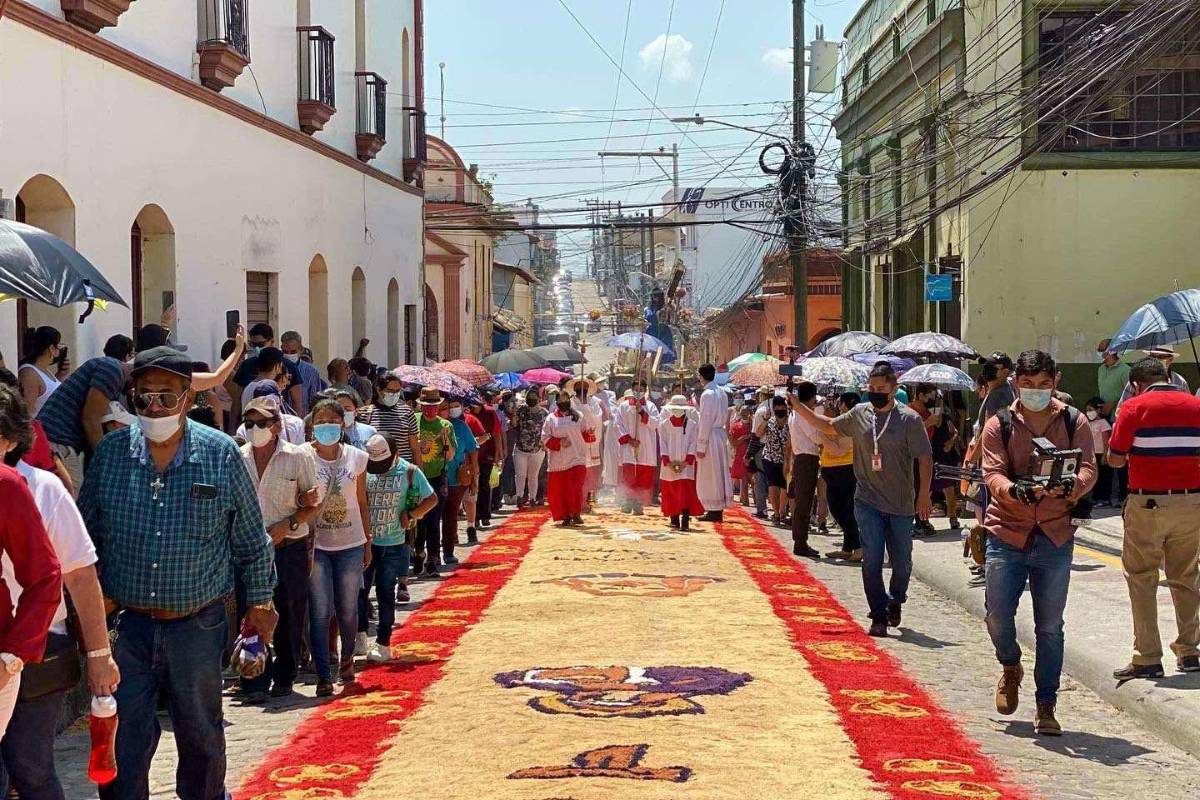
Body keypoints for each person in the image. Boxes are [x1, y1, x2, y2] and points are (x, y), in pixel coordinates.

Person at [78, 346, 276, 800]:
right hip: (127, 629)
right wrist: (93, 599)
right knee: (124, 739)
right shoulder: (110, 455)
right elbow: (85, 538)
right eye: (143, 397)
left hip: (197, 626)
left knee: (201, 734)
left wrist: (261, 604)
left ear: (188, 397)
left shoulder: (220, 454)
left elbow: (251, 540)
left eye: (166, 396)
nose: (154, 407)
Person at [0, 383, 116, 797]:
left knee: (29, 766)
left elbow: (79, 576)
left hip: (40, 648)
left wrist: (100, 656)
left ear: (11, 439)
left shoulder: (42, 489)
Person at [979, 349, 1096, 737]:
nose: (1036, 391)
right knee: (997, 615)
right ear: (1016, 382)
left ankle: (1046, 704)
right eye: (1028, 384)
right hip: (1007, 531)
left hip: (1055, 534)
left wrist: (1074, 485)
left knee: (1050, 626)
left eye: (1044, 384)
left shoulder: (1074, 420)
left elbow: (1089, 467)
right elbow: (992, 472)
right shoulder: (998, 424)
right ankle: (1010, 664)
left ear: (1056, 381)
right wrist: (1014, 490)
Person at [792, 363, 933, 638]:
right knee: (872, 557)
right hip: (867, 499)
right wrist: (799, 408)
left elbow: (925, 459)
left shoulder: (909, 419)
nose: (875, 392)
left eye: (881, 388)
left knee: (902, 562)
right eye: (871, 388)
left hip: (901, 502)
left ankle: (896, 599)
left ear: (893, 388)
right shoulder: (860, 413)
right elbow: (829, 426)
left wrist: (924, 495)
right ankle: (878, 614)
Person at [1107, 357, 1200, 681]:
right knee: (1186, 576)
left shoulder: (1133, 408)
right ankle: (1189, 651)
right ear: (1166, 376)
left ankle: (1147, 657)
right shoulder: (1195, 405)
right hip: (1191, 502)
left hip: (1147, 503)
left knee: (1142, 576)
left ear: (1136, 384)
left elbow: (1115, 459)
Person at [238, 395, 321, 701]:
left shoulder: (298, 457)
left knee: (289, 611)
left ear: (275, 426)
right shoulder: (238, 457)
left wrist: (290, 523)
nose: (254, 429)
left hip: (289, 545)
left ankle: (285, 674)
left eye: (261, 423)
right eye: (249, 423)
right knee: (251, 613)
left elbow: (313, 502)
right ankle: (253, 678)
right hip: (250, 548)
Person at [303, 398, 371, 697]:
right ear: (312, 425)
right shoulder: (302, 456)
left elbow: (362, 501)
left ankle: (346, 660)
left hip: (351, 542)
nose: (327, 426)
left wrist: (368, 541)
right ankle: (323, 673)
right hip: (316, 544)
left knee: (348, 608)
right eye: (321, 422)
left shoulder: (357, 457)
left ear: (343, 424)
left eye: (333, 421)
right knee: (320, 611)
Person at [360, 434, 436, 663]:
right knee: (359, 592)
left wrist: (412, 514)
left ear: (395, 454)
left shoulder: (409, 471)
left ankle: (383, 642)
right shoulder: (365, 469)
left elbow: (431, 498)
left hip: (393, 543)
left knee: (385, 592)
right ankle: (359, 635)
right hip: (365, 542)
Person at [36, 333, 134, 489]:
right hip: (57, 442)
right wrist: (106, 461)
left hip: (55, 441)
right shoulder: (112, 371)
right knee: (71, 498)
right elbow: (90, 420)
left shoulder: (109, 368)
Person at [414, 388, 456, 578]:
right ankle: (418, 552)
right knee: (418, 519)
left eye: (433, 406)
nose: (430, 410)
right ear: (421, 406)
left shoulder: (445, 425)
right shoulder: (414, 420)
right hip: (416, 477)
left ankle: (432, 558)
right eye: (426, 406)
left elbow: (450, 455)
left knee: (433, 519)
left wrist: (446, 440)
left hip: (437, 476)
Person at [819, 392, 862, 562]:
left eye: (839, 403)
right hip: (834, 471)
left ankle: (858, 547)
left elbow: (839, 450)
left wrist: (822, 435)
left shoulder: (850, 423)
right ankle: (847, 548)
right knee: (842, 509)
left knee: (841, 510)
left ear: (844, 404)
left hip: (843, 470)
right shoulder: (842, 421)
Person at [655, 395, 705, 530]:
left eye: (679, 409)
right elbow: (663, 444)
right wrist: (668, 462)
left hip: (686, 465)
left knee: (685, 492)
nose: (677, 411)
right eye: (674, 408)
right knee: (671, 492)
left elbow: (693, 443)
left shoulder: (692, 425)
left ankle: (685, 520)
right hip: (669, 464)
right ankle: (674, 519)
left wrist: (686, 462)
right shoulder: (664, 424)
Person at [786, 381, 823, 558]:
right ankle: (800, 542)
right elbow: (816, 437)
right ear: (811, 397)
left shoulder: (796, 412)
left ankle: (800, 541)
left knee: (804, 502)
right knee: (804, 502)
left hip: (802, 458)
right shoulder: (802, 414)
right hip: (807, 459)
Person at [542, 389, 588, 526]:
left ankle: (576, 513)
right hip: (559, 460)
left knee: (576, 487)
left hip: (577, 457)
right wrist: (559, 442)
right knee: (561, 489)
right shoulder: (551, 418)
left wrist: (590, 433)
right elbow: (544, 438)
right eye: (561, 400)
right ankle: (566, 515)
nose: (564, 402)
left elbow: (584, 433)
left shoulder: (579, 416)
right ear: (556, 402)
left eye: (566, 400)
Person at [695, 364, 734, 522]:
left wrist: (701, 445)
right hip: (719, 435)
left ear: (702, 376)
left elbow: (705, 420)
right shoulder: (722, 392)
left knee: (710, 474)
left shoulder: (707, 394)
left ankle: (713, 509)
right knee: (718, 472)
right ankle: (716, 509)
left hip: (710, 436)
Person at [443, 396, 480, 562]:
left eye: (448, 407)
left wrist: (474, 473)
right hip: (431, 477)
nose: (447, 410)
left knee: (451, 514)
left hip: (455, 478)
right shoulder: (422, 423)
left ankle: (448, 549)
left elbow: (473, 449)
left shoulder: (460, 426)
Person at [615, 379, 658, 514]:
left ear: (645, 391)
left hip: (645, 445)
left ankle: (639, 502)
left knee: (643, 475)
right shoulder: (623, 406)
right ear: (632, 390)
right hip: (629, 446)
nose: (638, 392)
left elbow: (655, 424)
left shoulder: (650, 406)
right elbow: (618, 425)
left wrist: (642, 413)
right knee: (628, 475)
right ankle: (628, 501)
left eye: (641, 390)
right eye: (636, 389)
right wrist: (629, 439)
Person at [364, 371, 420, 466]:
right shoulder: (365, 414)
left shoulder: (407, 412)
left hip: (403, 470)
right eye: (390, 391)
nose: (394, 394)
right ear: (379, 390)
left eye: (397, 391)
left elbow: (415, 449)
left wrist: (419, 471)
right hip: (376, 470)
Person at [566, 377, 603, 512]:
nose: (582, 389)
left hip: (591, 441)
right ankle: (576, 501)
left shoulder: (594, 403)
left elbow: (597, 419)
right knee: (577, 474)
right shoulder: (570, 403)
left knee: (590, 475)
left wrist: (585, 407)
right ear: (574, 388)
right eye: (579, 387)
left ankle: (588, 502)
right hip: (576, 443)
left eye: (584, 387)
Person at [472, 389, 505, 529]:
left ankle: (485, 515)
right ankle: (475, 517)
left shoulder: (490, 412)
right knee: (474, 486)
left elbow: (497, 433)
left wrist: (498, 452)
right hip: (471, 455)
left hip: (487, 454)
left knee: (485, 484)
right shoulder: (468, 414)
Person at [1117, 346, 1190, 407]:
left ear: (1170, 360)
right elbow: (1121, 409)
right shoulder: (1137, 380)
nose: (1156, 360)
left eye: (1161, 357)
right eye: (1153, 356)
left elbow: (1188, 407)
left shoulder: (1180, 382)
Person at [513, 388, 548, 508]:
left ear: (539, 398)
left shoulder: (544, 413)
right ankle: (519, 496)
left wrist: (545, 443)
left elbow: (548, 429)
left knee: (533, 475)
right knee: (520, 475)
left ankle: (532, 498)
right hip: (520, 448)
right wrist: (514, 412)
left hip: (537, 449)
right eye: (529, 397)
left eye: (534, 397)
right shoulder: (521, 410)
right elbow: (514, 424)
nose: (531, 399)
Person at [17, 325, 64, 415]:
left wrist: (62, 374)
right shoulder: (29, 374)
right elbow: (27, 412)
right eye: (58, 346)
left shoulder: (44, 370)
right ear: (51, 349)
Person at [760, 396, 792, 524]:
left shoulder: (791, 421)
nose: (780, 409)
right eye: (777, 407)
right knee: (773, 485)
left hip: (786, 459)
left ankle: (782, 511)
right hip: (770, 458)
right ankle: (776, 513)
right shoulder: (770, 421)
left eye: (782, 406)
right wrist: (765, 420)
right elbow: (758, 434)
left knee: (784, 487)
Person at [280, 330, 325, 414]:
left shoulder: (311, 372)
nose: (289, 355)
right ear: (281, 348)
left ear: (301, 349)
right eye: (285, 352)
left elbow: (315, 402)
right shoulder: (277, 369)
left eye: (293, 352)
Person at [1084, 396, 1114, 507]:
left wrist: (1105, 455)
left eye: (1091, 410)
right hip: (1093, 454)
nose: (1088, 412)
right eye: (1087, 410)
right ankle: (1096, 498)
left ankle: (1104, 499)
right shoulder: (1088, 423)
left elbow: (1106, 441)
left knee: (1104, 477)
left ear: (1099, 410)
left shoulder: (1103, 423)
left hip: (1102, 454)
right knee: (1095, 477)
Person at [1096, 341, 1130, 418]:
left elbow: (1131, 396)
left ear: (1113, 351)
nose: (1100, 354)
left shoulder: (1125, 370)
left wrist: (1113, 404)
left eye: (1102, 350)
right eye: (1099, 351)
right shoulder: (1101, 369)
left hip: (1119, 416)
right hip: (1103, 416)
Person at [730, 401, 753, 505]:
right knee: (743, 476)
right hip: (741, 453)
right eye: (743, 412)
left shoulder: (753, 425)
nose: (744, 414)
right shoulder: (736, 426)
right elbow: (734, 443)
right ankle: (744, 498)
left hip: (753, 453)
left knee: (752, 478)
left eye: (746, 412)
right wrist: (744, 437)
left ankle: (755, 499)